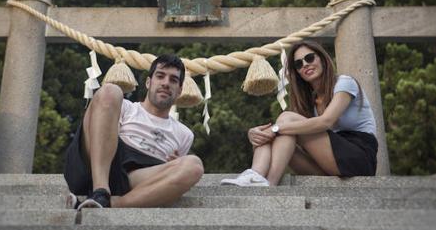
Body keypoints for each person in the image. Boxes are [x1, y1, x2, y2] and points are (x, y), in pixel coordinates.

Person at [221, 40, 378, 186]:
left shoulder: (344, 83)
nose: (305, 64)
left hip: (357, 157)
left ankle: (267, 183)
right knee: (279, 131)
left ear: (322, 59)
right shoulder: (308, 100)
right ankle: (258, 177)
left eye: (309, 58)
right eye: (298, 64)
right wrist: (254, 134)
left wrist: (275, 128)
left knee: (286, 119)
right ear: (297, 72)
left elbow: (326, 122)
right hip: (328, 162)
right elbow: (285, 131)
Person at [64, 54, 204, 209]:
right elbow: (99, 135)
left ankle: (113, 203)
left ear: (179, 90)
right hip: (105, 163)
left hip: (139, 178)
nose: (166, 83)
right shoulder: (125, 107)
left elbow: (174, 175)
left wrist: (173, 166)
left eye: (173, 80)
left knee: (194, 165)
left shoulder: (184, 134)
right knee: (110, 91)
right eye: (160, 76)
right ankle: (100, 190)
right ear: (148, 82)